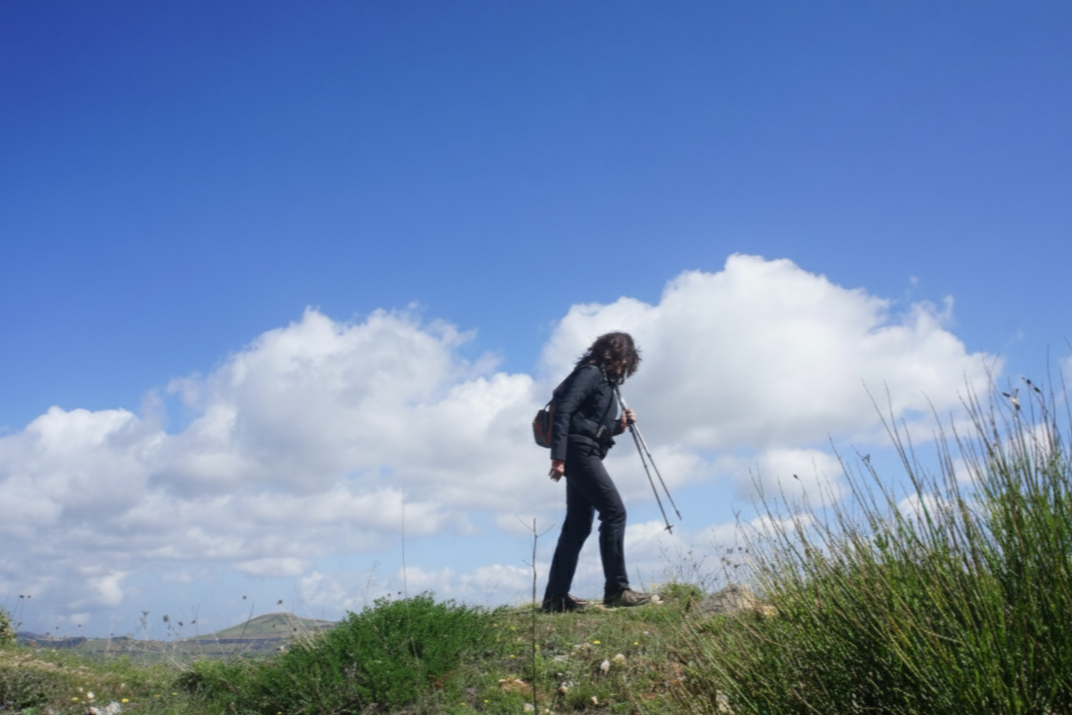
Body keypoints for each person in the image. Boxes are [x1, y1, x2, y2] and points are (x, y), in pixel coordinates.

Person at [542, 331, 651, 612]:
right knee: (615, 512)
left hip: (583, 450)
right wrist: (558, 457)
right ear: (614, 356)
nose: (623, 366)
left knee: (578, 526)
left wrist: (620, 425)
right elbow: (565, 411)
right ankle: (616, 589)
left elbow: (592, 424)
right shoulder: (590, 374)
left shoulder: (604, 382)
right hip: (578, 453)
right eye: (622, 359)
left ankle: (555, 599)